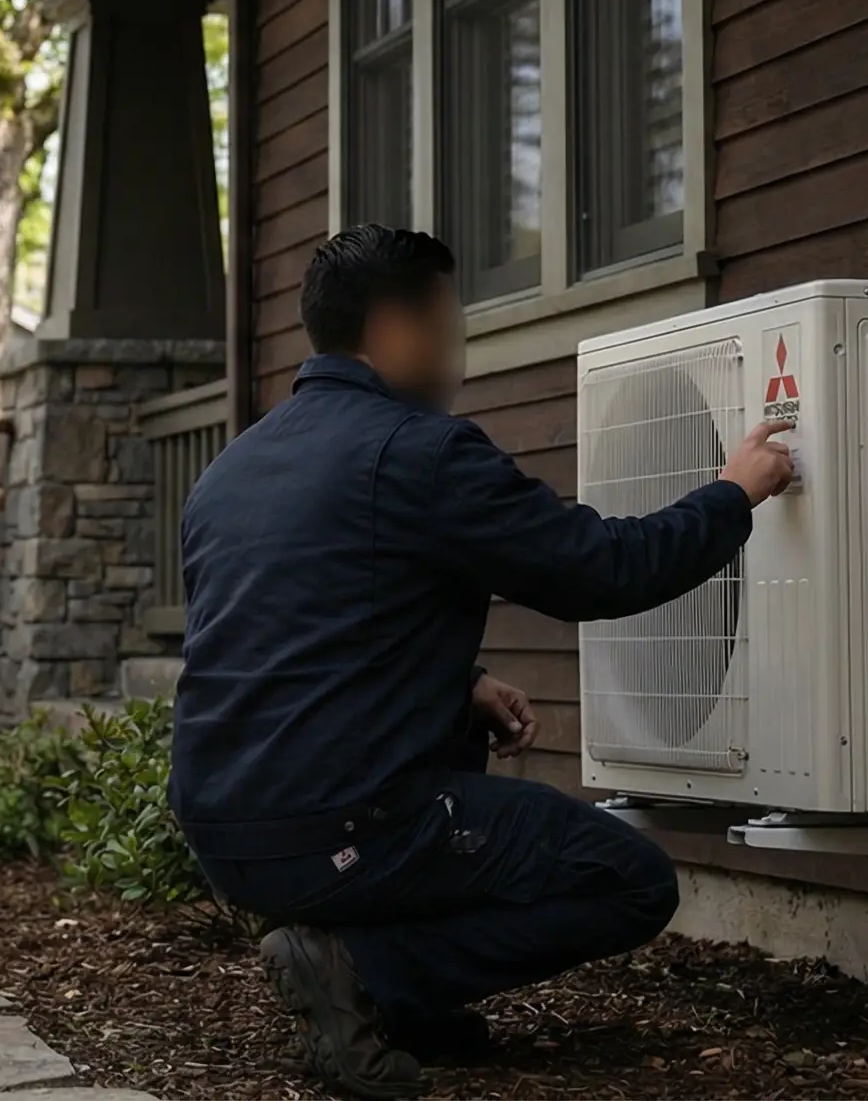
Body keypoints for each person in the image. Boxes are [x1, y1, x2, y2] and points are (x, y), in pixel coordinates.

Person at [172, 225, 796, 1098]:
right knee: (629, 881)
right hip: (339, 830)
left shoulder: (231, 470)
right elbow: (602, 569)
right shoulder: (422, 452)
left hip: (226, 833)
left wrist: (459, 685)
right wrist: (735, 492)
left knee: (453, 761)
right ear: (396, 326)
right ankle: (368, 974)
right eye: (452, 325)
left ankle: (400, 1002)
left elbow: (283, 632)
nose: (459, 351)